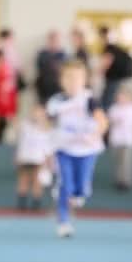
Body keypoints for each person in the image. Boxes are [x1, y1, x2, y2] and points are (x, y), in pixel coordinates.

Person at [47, 60, 108, 238]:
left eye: (76, 78)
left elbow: (103, 121)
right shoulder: (56, 101)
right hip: (64, 148)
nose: (72, 82)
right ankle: (63, 222)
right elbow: (47, 122)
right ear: (62, 80)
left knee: (81, 188)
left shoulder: (89, 100)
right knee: (66, 184)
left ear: (84, 80)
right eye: (68, 78)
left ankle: (80, 192)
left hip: (87, 149)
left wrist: (95, 134)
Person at [15, 105, 53, 211]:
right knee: (23, 180)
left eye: (40, 113)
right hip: (25, 157)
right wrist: (17, 156)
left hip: (38, 158)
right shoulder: (25, 125)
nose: (37, 115)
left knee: (37, 181)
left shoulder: (47, 129)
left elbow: (48, 146)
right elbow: (21, 141)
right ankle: (21, 204)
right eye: (35, 112)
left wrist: (49, 160)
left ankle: (36, 205)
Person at [108, 88, 132, 191]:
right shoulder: (114, 108)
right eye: (120, 97)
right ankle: (119, 180)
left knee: (127, 161)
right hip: (117, 138)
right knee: (118, 160)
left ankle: (127, 181)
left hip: (129, 139)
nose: (121, 99)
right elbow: (110, 121)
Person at [97, 26, 132, 110]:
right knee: (112, 100)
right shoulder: (115, 47)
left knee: (107, 101)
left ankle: (105, 120)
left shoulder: (108, 47)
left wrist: (98, 72)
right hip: (117, 78)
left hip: (112, 79)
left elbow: (106, 62)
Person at [0, 49, 17, 144]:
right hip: (4, 105)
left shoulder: (4, 70)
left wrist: (7, 109)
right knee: (1, 128)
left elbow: (6, 91)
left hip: (4, 105)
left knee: (3, 128)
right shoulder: (4, 69)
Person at [35, 30, 66, 105]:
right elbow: (40, 69)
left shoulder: (64, 55)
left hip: (59, 89)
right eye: (52, 40)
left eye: (56, 40)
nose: (54, 42)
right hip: (44, 89)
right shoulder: (42, 54)